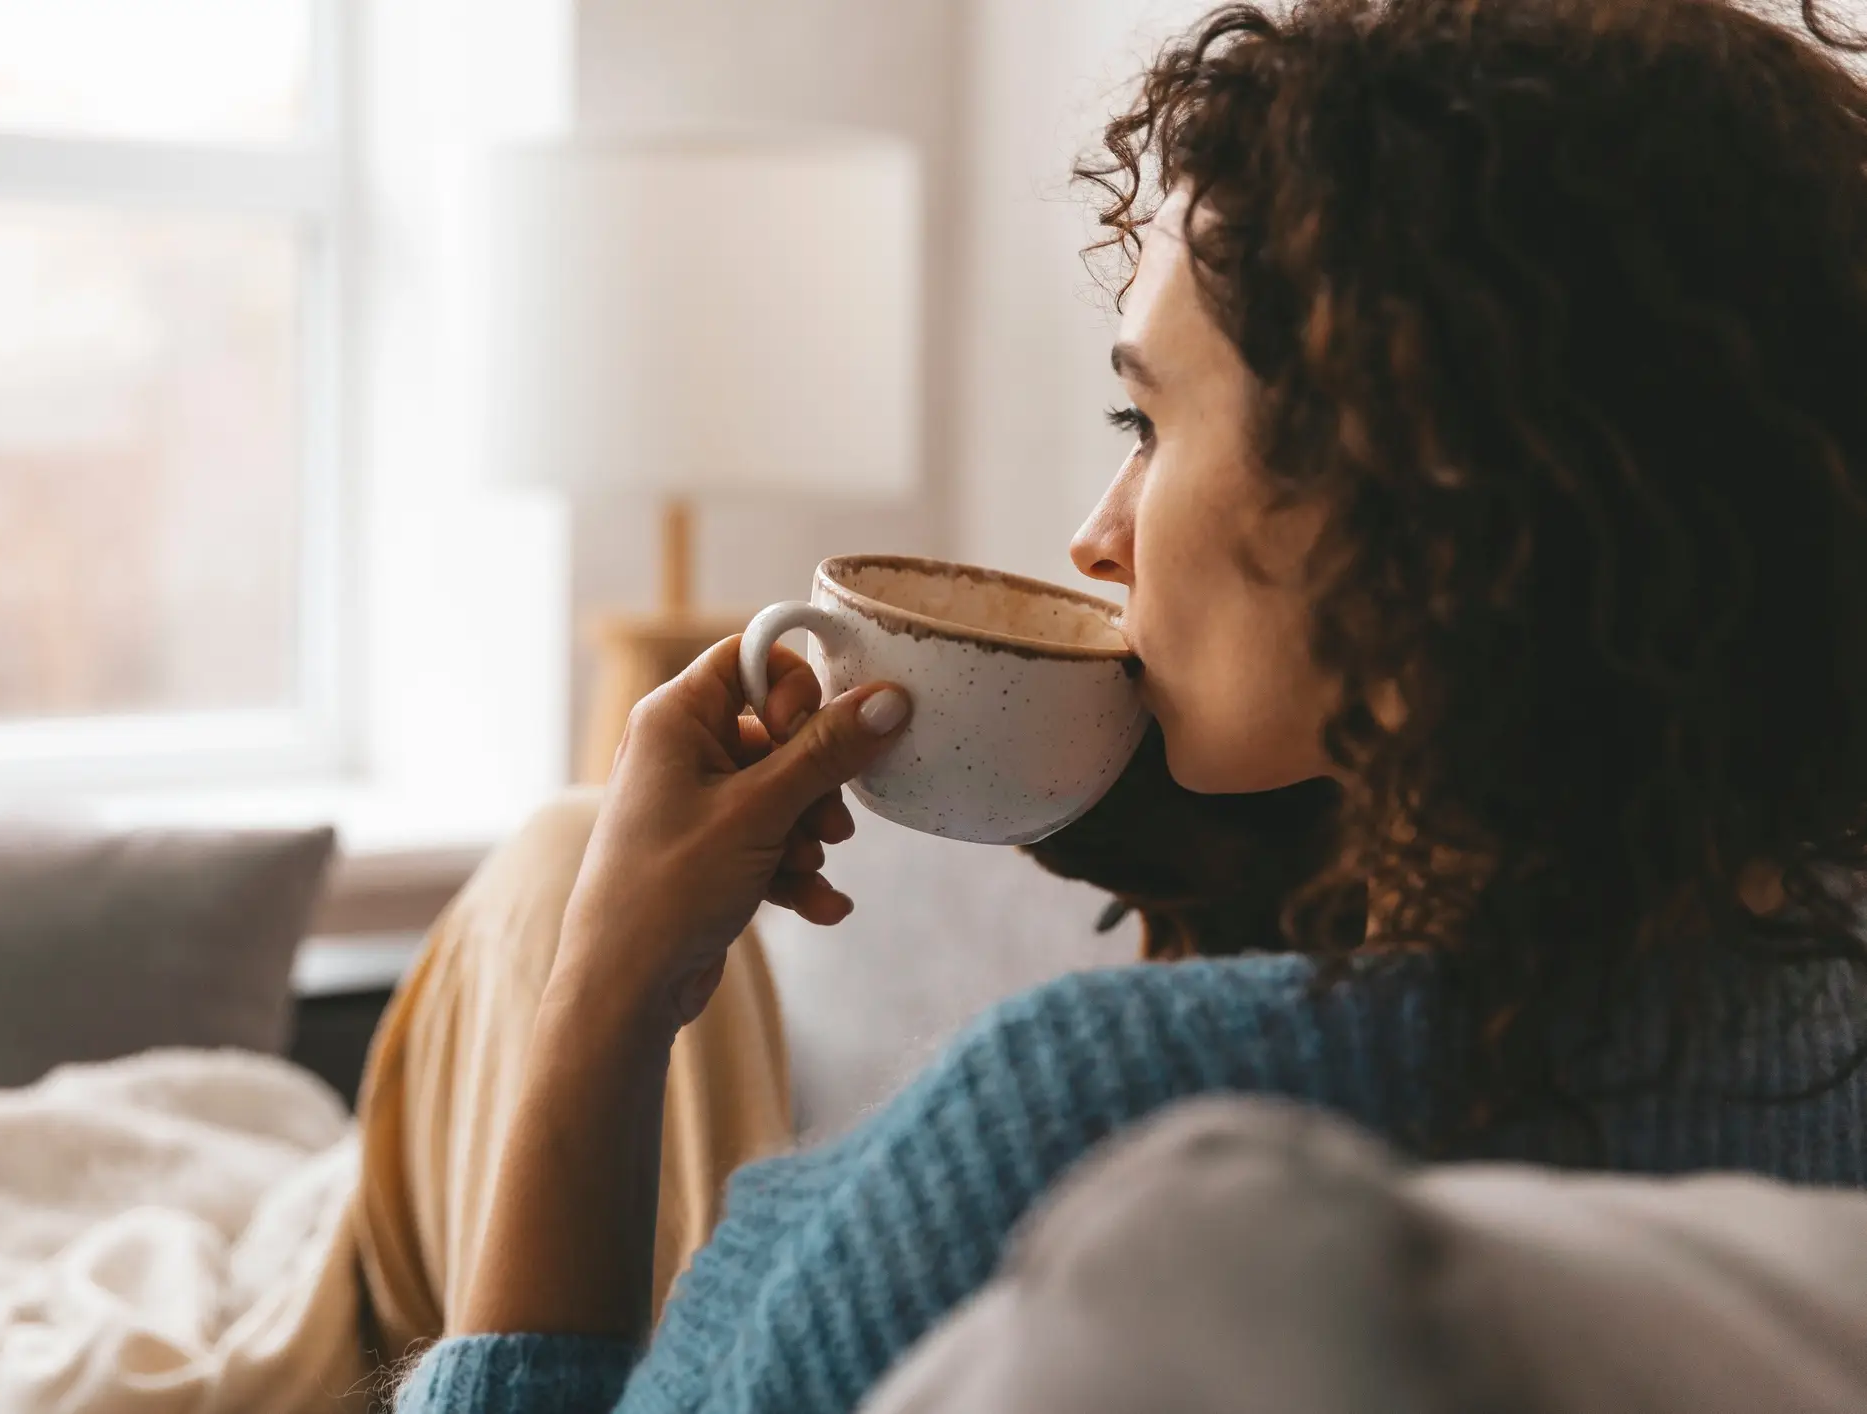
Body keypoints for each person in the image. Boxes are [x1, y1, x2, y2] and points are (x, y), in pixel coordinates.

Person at [360, 1, 1867, 1410]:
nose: (1096, 535)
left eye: (1146, 421)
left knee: (547, 878)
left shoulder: (1075, 1130)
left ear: (1415, 504)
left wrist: (607, 990)